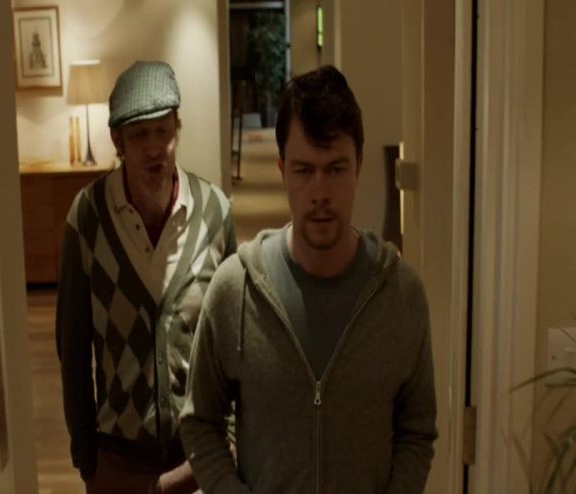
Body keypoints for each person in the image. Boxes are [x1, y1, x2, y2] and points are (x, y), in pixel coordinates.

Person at [180, 65, 437, 493]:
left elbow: (417, 431)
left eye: (335, 169)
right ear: (283, 170)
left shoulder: (402, 295)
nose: (320, 193)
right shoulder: (234, 290)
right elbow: (200, 422)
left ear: (358, 166)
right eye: (304, 170)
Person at [56, 60, 237, 494]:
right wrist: (86, 457)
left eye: (163, 131)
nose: (155, 148)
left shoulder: (214, 212)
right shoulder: (88, 218)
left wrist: (231, 439)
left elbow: (235, 340)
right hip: (117, 458)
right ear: (118, 141)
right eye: (139, 135)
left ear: (178, 128)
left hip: (200, 455)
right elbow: (72, 346)